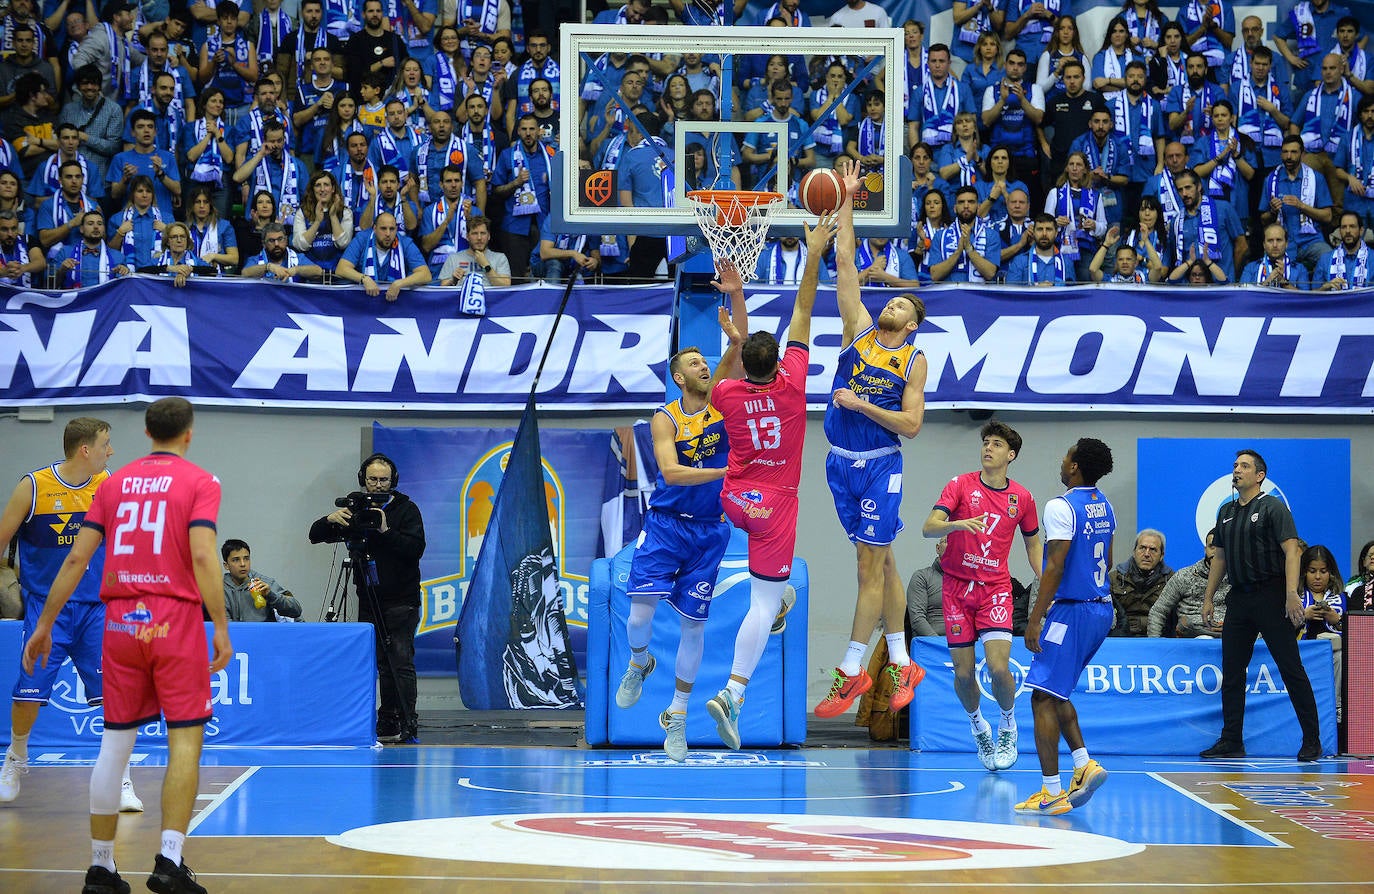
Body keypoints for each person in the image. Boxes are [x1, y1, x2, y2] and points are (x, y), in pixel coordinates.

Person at [21, 397, 232, 894]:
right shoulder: (201, 482)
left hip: (119, 620)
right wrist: (220, 623)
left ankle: (101, 867)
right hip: (172, 617)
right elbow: (203, 553)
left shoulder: (113, 484)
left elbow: (75, 561)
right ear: (189, 433)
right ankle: (169, 862)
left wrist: (44, 623)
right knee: (185, 742)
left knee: (114, 744)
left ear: (146, 431)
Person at [704, 211, 835, 751]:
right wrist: (814, 252)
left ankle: (776, 606)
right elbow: (803, 308)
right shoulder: (793, 387)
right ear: (780, 361)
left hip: (735, 496)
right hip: (775, 503)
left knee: (773, 599)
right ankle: (733, 692)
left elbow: (732, 367)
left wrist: (735, 318)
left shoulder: (727, 395)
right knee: (763, 602)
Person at [614, 261, 749, 762]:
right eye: (692, 360)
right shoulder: (663, 417)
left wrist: (735, 296)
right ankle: (639, 661)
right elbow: (670, 473)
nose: (700, 364)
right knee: (639, 615)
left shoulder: (721, 402)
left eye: (703, 360)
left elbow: (742, 346)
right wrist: (729, 474)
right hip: (667, 525)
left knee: (695, 626)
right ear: (677, 375)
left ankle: (677, 714)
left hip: (710, 532)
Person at [814, 160, 927, 720]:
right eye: (892, 300)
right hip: (839, 464)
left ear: (911, 324)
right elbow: (843, 264)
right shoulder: (857, 330)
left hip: (882, 464)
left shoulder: (913, 358)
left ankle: (853, 670)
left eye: (902, 304)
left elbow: (911, 426)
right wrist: (847, 201)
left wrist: (859, 404)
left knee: (867, 568)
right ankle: (903, 660)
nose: (891, 303)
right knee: (882, 567)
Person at [0, 418, 142, 813]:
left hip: (98, 609)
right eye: (106, 444)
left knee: (114, 696)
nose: (110, 451)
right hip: (48, 609)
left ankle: (122, 779)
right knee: (28, 693)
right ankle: (15, 759)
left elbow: (126, 542)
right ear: (85, 449)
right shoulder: (32, 487)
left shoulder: (107, 485)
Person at [922, 421, 1043, 771]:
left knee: (998, 668)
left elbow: (1033, 542)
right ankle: (978, 726)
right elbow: (928, 528)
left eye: (996, 444)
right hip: (956, 589)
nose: (988, 448)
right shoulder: (960, 485)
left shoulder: (1022, 497)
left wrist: (1046, 580)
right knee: (962, 676)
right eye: (985, 442)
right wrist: (955, 525)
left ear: (1011, 454)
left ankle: (1007, 723)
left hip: (995, 590)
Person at [1014, 437, 1115, 815]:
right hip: (1101, 608)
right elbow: (1108, 554)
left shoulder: (1060, 506)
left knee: (1040, 695)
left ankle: (1051, 791)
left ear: (1074, 467)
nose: (1062, 458)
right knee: (1054, 691)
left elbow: (1054, 566)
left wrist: (1036, 618)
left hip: (1073, 612)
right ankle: (1083, 764)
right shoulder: (1104, 504)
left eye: (1066, 454)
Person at [1200, 449, 1322, 763]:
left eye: (1244, 466)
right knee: (1232, 671)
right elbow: (1221, 559)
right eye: (1235, 465)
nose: (1236, 470)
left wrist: (1292, 593)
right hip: (1239, 598)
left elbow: (1292, 551)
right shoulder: (1226, 511)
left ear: (1259, 475)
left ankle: (1312, 741)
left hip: (1271, 594)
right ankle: (1231, 741)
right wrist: (1208, 597)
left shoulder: (1272, 507)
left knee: (1290, 668)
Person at [309, 453, 426, 743]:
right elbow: (315, 535)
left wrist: (385, 529)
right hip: (368, 598)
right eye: (372, 479)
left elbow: (414, 549)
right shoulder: (356, 507)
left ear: (393, 481)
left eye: (382, 480)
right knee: (374, 663)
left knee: (398, 661)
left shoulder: (406, 509)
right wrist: (329, 520)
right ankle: (384, 722)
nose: (377, 485)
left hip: (401, 600)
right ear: (363, 480)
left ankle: (407, 722)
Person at [334, 211, 432, 300]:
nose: (388, 234)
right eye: (383, 229)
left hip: (395, 303)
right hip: (364, 302)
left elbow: (425, 275)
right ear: (375, 228)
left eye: (392, 229)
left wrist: (400, 283)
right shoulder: (362, 239)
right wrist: (364, 278)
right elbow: (341, 269)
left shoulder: (405, 243)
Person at [1148, 531, 1229, 637]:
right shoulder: (1184, 576)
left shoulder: (1238, 578)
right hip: (1192, 636)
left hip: (1230, 635)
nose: (1215, 552)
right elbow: (1158, 612)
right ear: (1205, 549)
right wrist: (1154, 645)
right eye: (1211, 547)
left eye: (1220, 547)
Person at [1109, 529, 1173, 636]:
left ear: (1162, 555)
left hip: (1158, 638)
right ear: (1134, 552)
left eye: (1153, 549)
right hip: (1122, 638)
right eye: (1142, 548)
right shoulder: (1114, 579)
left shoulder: (1171, 581)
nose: (1147, 554)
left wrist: (1141, 624)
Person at [220, 538, 301, 622]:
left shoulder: (264, 583)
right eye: (236, 560)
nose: (243, 564)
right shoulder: (219, 589)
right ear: (226, 565)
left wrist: (271, 595)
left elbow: (297, 611)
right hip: (234, 634)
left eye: (246, 558)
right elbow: (225, 625)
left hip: (265, 634)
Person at [1240, 223, 1311, 289]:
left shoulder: (1300, 269)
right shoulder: (1250, 268)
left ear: (1286, 244)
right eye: (1270, 240)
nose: (1275, 245)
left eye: (1279, 240)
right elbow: (1243, 294)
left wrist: (1282, 281)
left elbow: (1305, 298)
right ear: (1264, 245)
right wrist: (1268, 281)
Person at [1314, 210, 1372, 289]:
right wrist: (1325, 287)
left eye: (1352, 226)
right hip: (1334, 301)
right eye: (1344, 227)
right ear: (1339, 231)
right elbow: (1313, 296)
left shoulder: (1372, 258)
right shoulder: (1325, 260)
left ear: (1361, 230)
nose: (1348, 231)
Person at [907, 537, 946, 637]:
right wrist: (938, 643)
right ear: (938, 548)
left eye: (956, 542)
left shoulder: (968, 580)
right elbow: (917, 618)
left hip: (966, 645)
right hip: (931, 644)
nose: (953, 545)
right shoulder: (922, 577)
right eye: (947, 541)